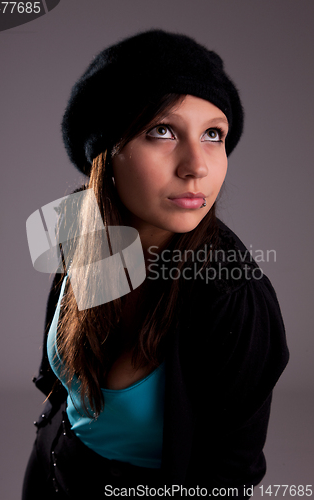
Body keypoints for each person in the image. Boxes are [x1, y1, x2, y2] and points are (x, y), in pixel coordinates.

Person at [22, 29, 289, 499]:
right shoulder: (82, 222)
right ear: (106, 150)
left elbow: (226, 479)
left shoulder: (232, 295)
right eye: (162, 131)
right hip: (51, 473)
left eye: (213, 134)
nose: (197, 166)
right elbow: (64, 384)